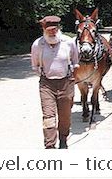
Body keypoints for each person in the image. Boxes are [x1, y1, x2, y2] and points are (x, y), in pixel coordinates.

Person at [31, 16, 79, 149]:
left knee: (65, 117)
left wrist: (72, 80)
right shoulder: (38, 44)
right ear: (44, 29)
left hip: (66, 83)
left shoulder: (68, 42)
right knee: (49, 116)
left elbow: (75, 63)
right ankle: (50, 145)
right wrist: (46, 75)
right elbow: (35, 66)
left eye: (55, 29)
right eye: (49, 30)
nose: (52, 32)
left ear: (58, 28)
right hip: (47, 85)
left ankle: (63, 140)